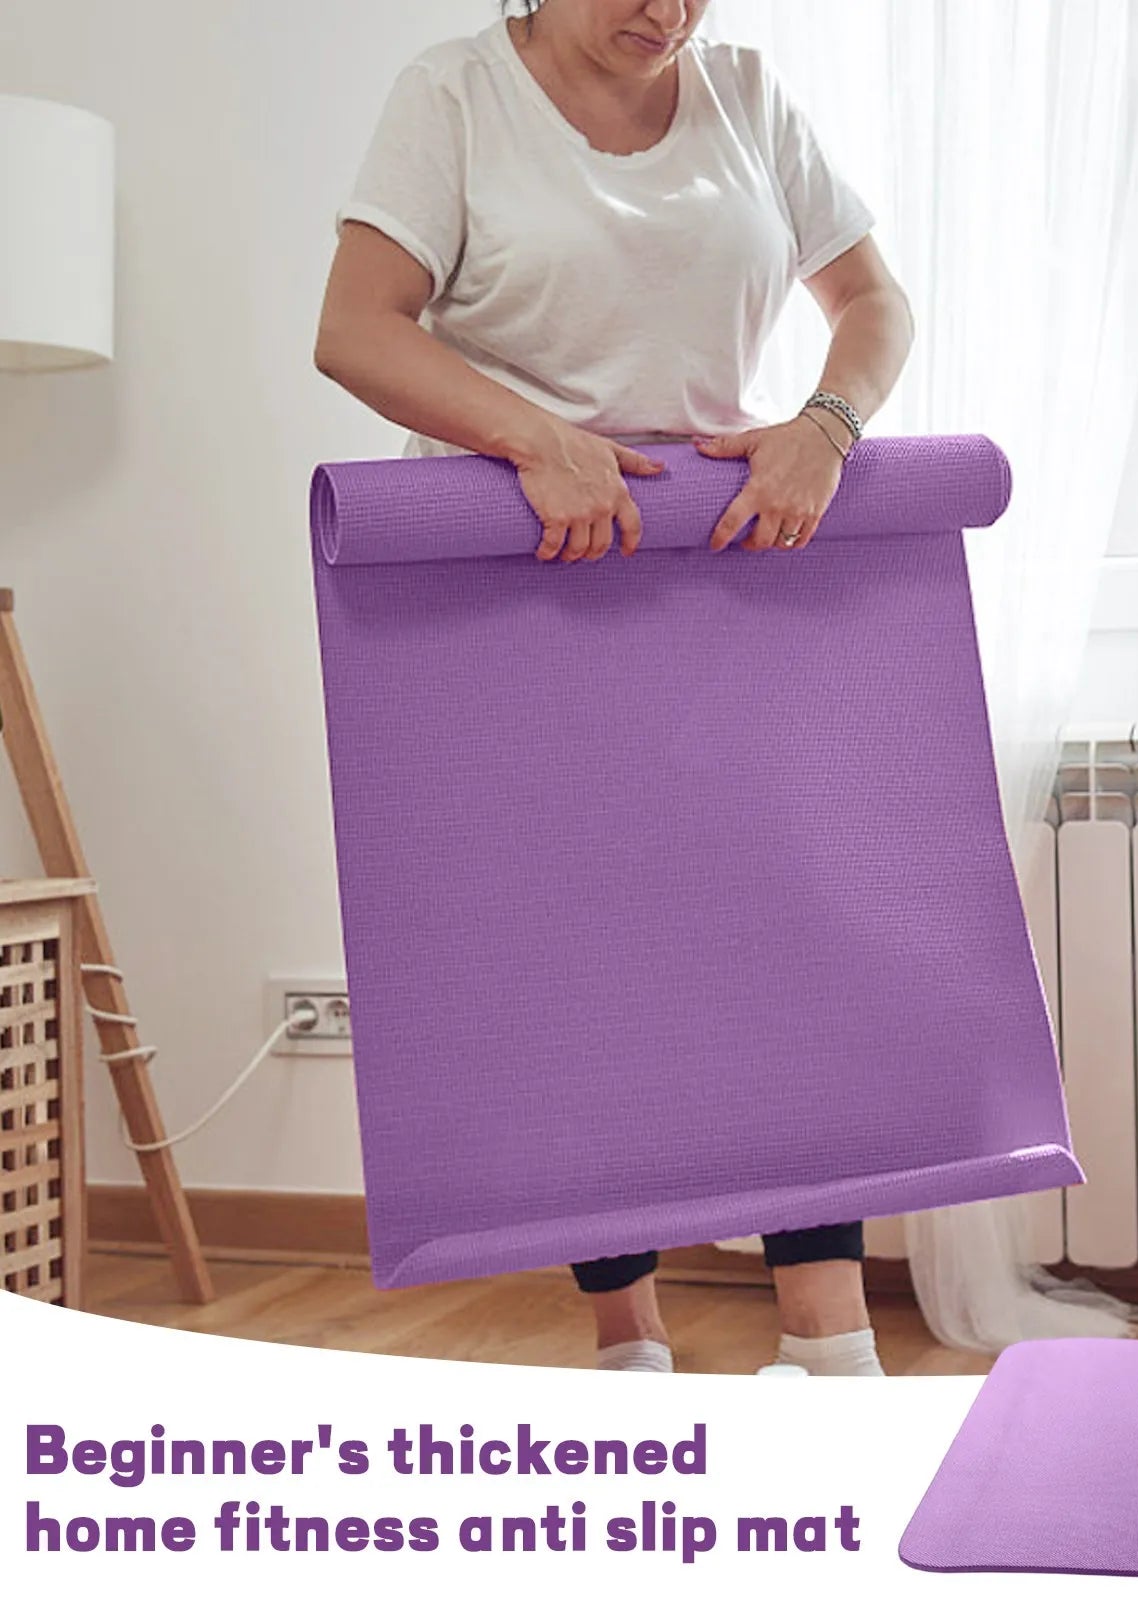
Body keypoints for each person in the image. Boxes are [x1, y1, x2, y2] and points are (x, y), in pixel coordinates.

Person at [314, 0, 914, 1376]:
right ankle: (628, 1346)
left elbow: (874, 302)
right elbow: (355, 330)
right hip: (521, 572)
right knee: (581, 958)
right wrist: (537, 440)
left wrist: (826, 426)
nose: (668, 12)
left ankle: (829, 1348)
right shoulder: (455, 96)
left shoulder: (747, 93)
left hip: (718, 565)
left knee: (789, 938)